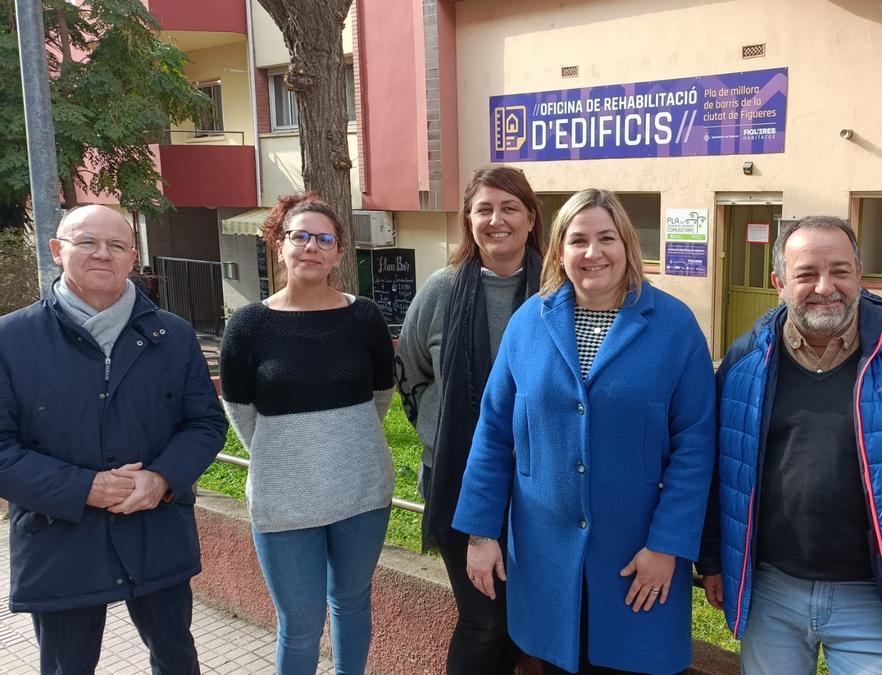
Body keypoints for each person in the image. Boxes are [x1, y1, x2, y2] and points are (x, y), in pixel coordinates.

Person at [697, 216, 882, 674]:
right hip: (772, 594)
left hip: (877, 600)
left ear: (859, 276)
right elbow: (715, 466)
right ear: (778, 282)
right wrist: (712, 557)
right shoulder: (746, 360)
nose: (825, 286)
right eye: (806, 273)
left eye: (840, 271)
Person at [452, 189, 716, 675]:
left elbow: (696, 447)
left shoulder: (675, 327)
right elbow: (493, 435)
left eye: (606, 238)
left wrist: (668, 545)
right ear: (558, 251)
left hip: (637, 558)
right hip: (545, 557)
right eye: (578, 240)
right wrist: (480, 533)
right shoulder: (528, 323)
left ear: (628, 246)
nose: (592, 253)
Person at [0, 204, 227, 674]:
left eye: (116, 245)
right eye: (87, 242)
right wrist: (86, 488)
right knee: (67, 667)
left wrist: (163, 478)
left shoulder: (174, 335)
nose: (102, 254)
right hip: (60, 541)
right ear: (57, 251)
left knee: (176, 661)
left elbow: (206, 423)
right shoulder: (11, 340)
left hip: (156, 533)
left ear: (133, 258)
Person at [219, 193, 396, 675]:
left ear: (339, 252)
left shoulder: (365, 318)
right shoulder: (249, 325)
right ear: (279, 245)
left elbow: (382, 395)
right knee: (299, 623)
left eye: (325, 239)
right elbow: (239, 411)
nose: (311, 247)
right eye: (300, 236)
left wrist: (343, 444)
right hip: (284, 499)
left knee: (352, 603)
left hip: (362, 491)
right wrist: (290, 455)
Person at [395, 165, 545, 674]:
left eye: (509, 208)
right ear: (468, 220)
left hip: (541, 488)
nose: (496, 220)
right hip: (458, 485)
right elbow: (410, 374)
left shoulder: (559, 291)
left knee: (524, 623)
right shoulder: (440, 291)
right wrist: (440, 434)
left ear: (530, 218)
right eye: (484, 208)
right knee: (485, 621)